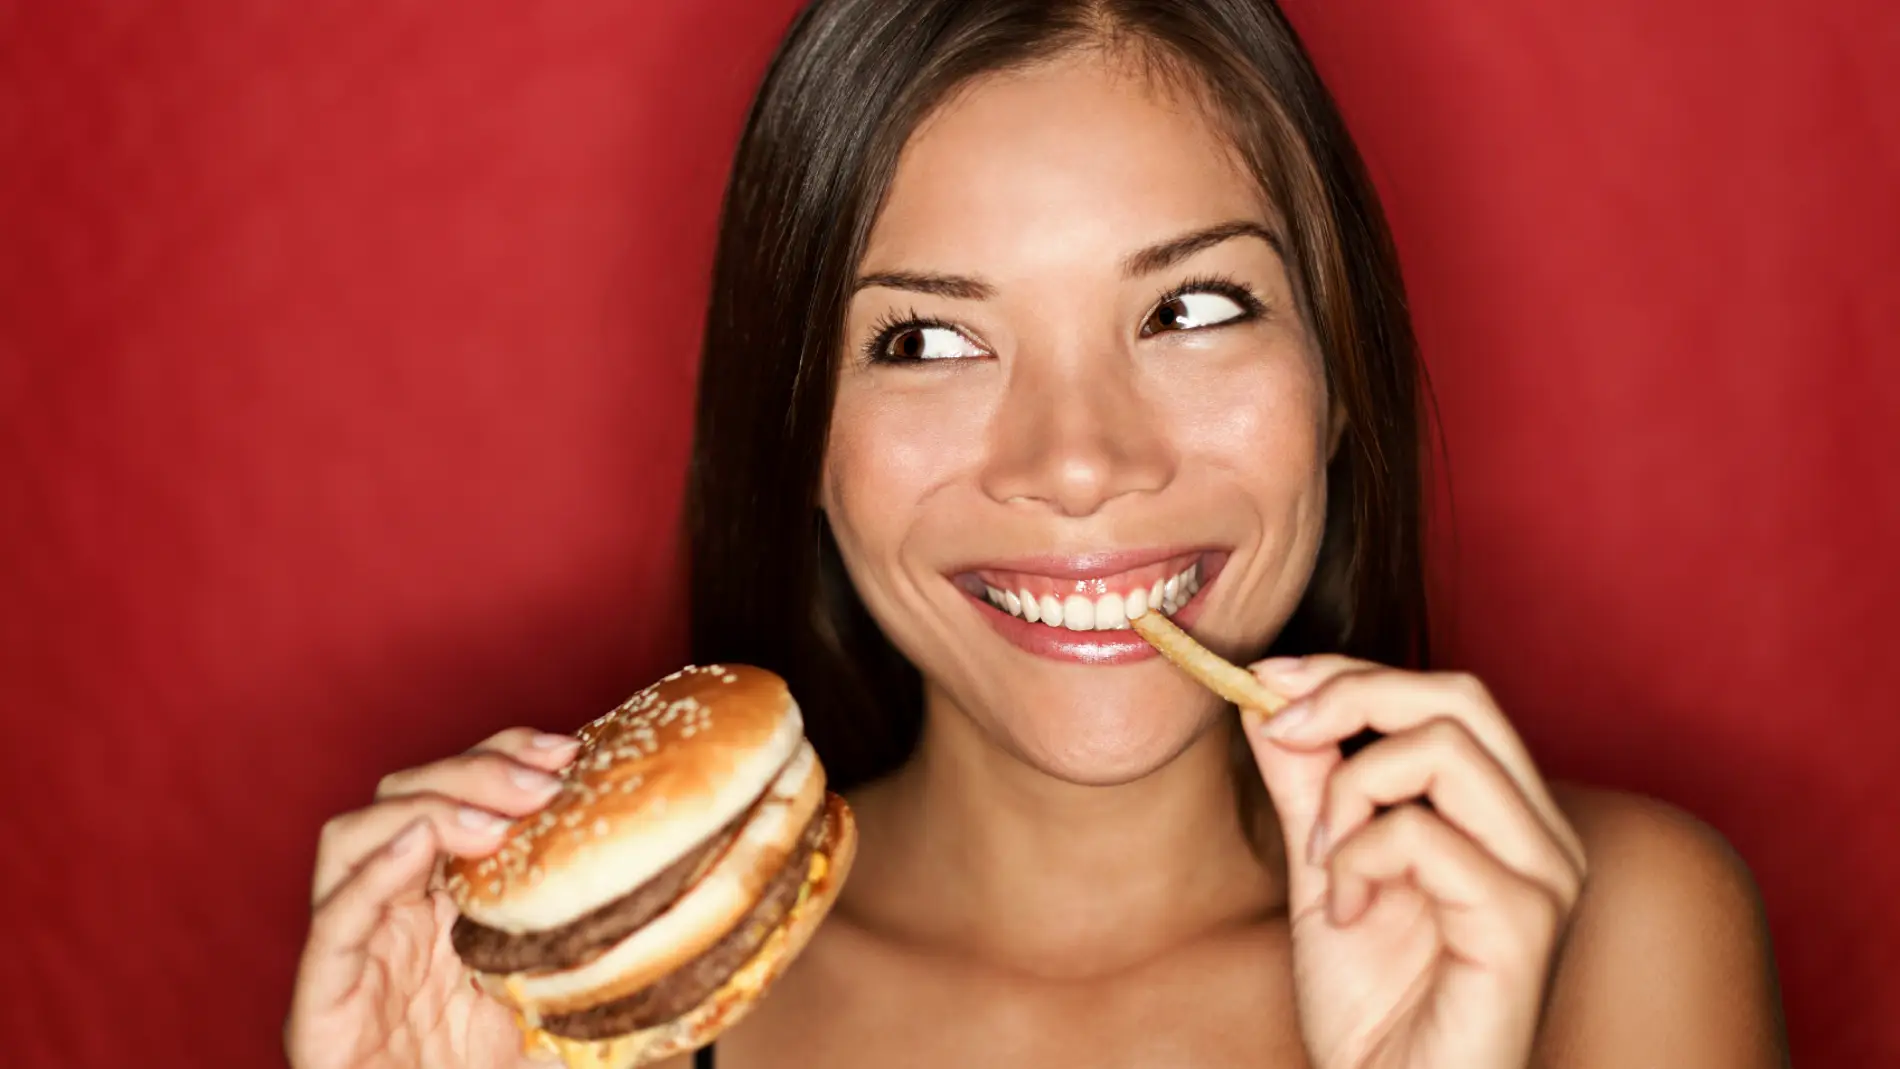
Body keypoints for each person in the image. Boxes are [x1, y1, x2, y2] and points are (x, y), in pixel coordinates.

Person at [284, 1, 1789, 1066]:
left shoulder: (1625, 931)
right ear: (801, 434)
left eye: (1193, 311)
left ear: (1341, 376)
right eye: (929, 343)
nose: (1078, 463)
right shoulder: (600, 1012)